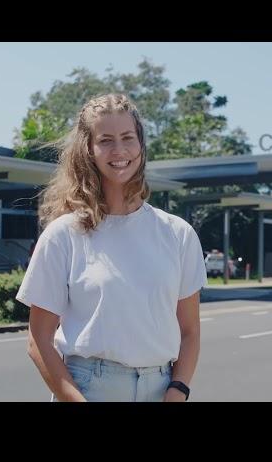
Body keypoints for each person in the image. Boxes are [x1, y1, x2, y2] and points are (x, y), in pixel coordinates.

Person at [15, 93, 207, 402]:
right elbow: (38, 341)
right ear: (88, 150)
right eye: (105, 140)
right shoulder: (63, 235)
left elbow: (190, 333)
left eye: (127, 137)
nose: (119, 150)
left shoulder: (177, 234)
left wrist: (177, 391)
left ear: (141, 146)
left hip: (160, 389)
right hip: (89, 390)